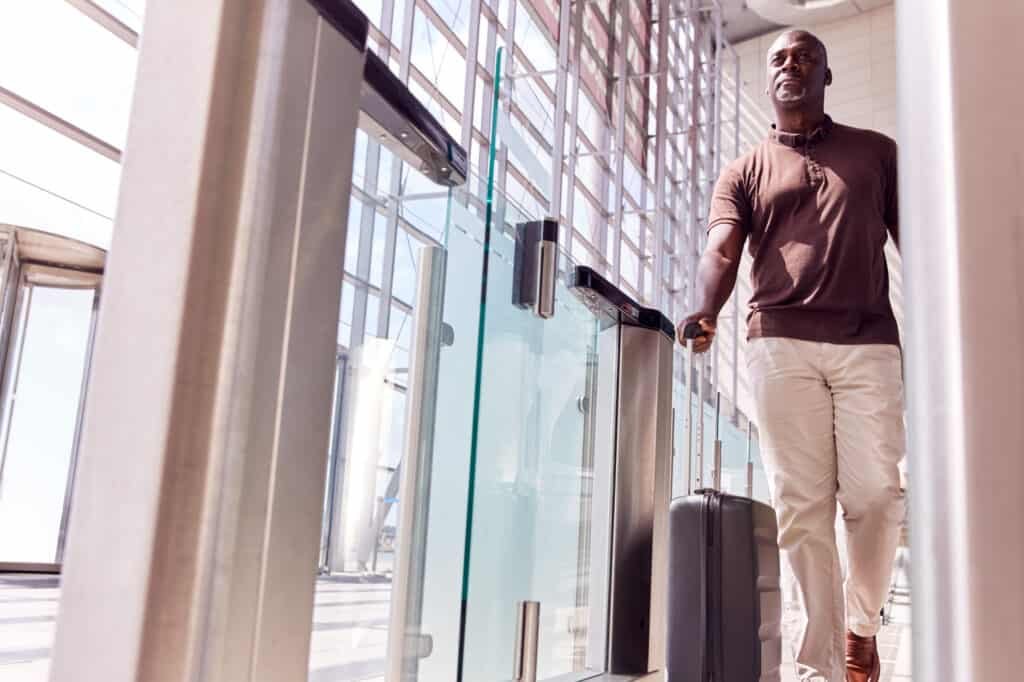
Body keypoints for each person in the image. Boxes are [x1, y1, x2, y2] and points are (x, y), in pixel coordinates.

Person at [678, 29, 905, 682]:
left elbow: (915, 233)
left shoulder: (874, 153)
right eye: (779, 57)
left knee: (878, 498)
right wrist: (706, 308)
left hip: (868, 342)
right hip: (777, 342)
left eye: (806, 56)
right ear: (767, 80)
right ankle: (822, 666)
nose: (791, 64)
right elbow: (722, 248)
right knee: (803, 510)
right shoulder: (743, 170)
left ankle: (862, 624)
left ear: (826, 76)